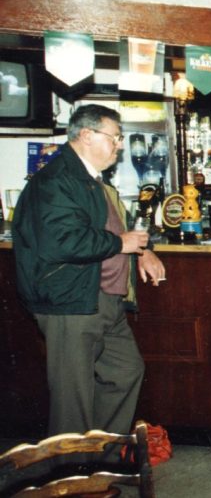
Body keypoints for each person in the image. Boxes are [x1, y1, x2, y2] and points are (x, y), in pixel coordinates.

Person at [12, 104, 165, 445]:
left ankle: (98, 456)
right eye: (115, 137)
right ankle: (69, 478)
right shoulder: (57, 180)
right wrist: (120, 243)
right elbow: (62, 241)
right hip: (72, 301)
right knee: (72, 398)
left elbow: (117, 228)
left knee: (126, 371)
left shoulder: (93, 181)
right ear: (85, 135)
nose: (120, 145)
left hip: (105, 301)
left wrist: (142, 249)